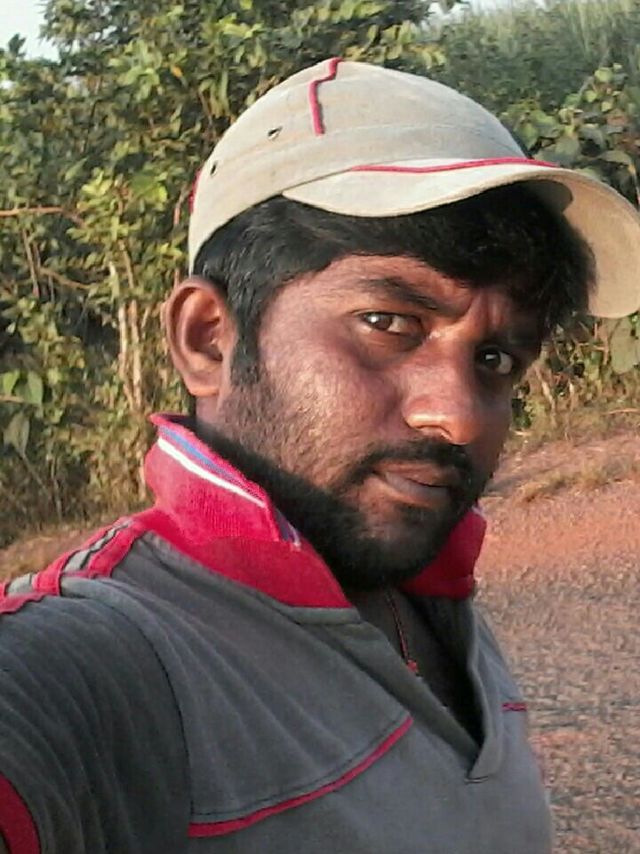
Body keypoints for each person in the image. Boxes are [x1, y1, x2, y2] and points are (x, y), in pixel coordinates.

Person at [1, 58, 639, 854]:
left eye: (496, 358)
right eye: (389, 323)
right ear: (208, 339)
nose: (457, 417)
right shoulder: (104, 663)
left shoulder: (425, 584)